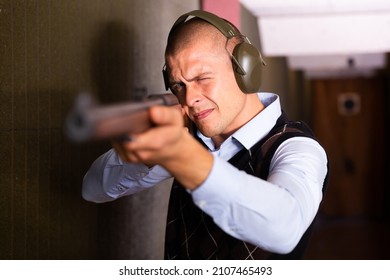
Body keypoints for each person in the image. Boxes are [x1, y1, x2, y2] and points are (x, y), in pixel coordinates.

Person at [82, 10, 328, 260]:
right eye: (179, 85)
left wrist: (184, 156)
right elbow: (93, 189)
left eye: (202, 78)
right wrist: (151, 154)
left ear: (245, 69)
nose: (189, 98)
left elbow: (285, 228)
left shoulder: (298, 147)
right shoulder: (189, 136)